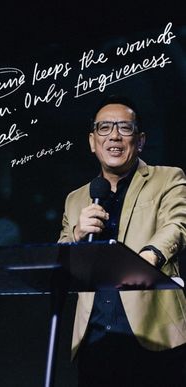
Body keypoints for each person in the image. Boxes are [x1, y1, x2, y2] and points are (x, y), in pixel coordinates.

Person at [58, 95, 186, 387]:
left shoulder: (167, 179)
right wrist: (77, 235)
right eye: (104, 128)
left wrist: (150, 257)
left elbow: (178, 223)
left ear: (140, 141)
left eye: (124, 128)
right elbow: (61, 258)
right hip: (95, 339)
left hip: (155, 335)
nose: (114, 135)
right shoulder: (76, 199)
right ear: (92, 141)